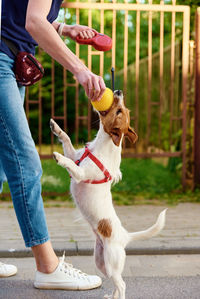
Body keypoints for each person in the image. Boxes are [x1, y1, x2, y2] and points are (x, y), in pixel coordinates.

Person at [0, 0, 106, 290]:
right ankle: (47, 267)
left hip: (11, 57)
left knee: (0, 166)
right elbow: (34, 22)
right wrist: (80, 69)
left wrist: (64, 28)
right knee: (25, 163)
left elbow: (20, 15)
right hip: (2, 61)